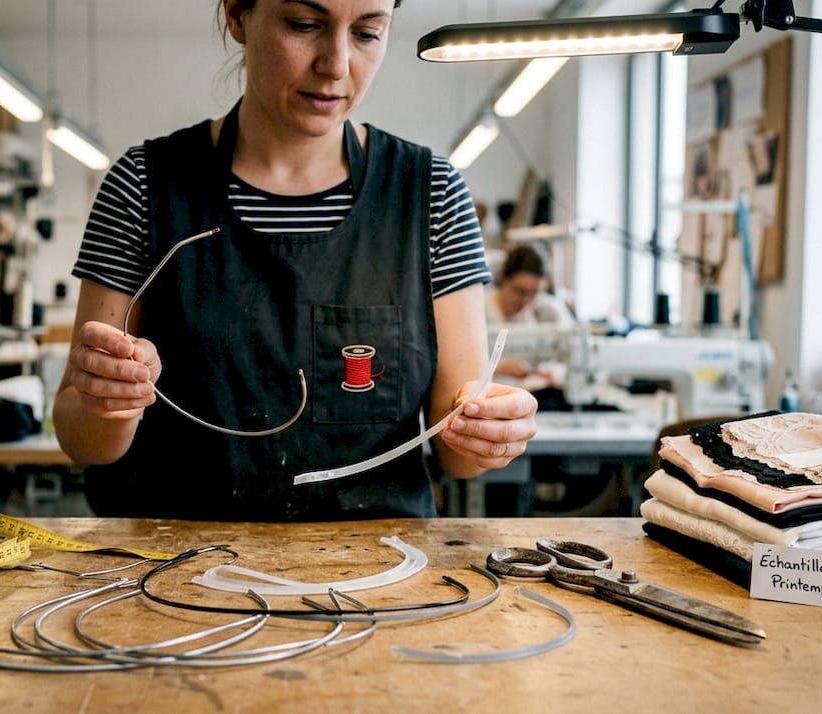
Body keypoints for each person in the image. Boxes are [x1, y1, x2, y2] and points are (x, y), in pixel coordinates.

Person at [53, 0, 538, 521]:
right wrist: (110, 399)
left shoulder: (432, 195)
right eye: (305, 25)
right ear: (238, 15)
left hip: (383, 577)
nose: (336, 65)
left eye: (368, 34)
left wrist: (489, 432)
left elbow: (457, 455)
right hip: (179, 575)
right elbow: (83, 441)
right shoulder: (144, 187)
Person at [486, 243, 574, 382]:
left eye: (533, 293)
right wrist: (496, 367)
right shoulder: (480, 311)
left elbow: (573, 352)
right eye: (519, 291)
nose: (525, 301)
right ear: (503, 277)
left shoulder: (547, 310)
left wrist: (556, 371)